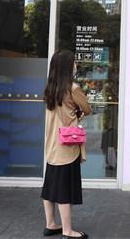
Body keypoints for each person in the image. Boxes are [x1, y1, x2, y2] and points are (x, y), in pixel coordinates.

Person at [41, 50, 91, 239]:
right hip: (67, 146)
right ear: (66, 67)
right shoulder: (73, 88)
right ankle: (68, 230)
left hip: (52, 145)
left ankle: (50, 224)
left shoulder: (50, 88)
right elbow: (87, 108)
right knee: (64, 190)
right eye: (74, 63)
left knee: (49, 187)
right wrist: (78, 112)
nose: (76, 65)